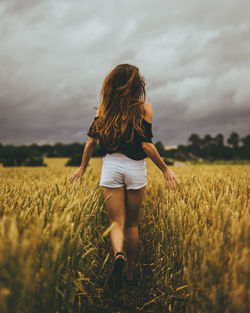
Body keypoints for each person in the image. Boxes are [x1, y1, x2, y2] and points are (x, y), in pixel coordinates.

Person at [69, 64, 180, 292]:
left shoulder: (104, 109)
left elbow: (90, 143)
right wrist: (165, 169)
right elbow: (146, 145)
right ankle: (130, 273)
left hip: (111, 167)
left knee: (115, 223)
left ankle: (118, 254)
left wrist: (82, 168)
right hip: (136, 168)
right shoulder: (144, 109)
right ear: (136, 86)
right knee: (132, 222)